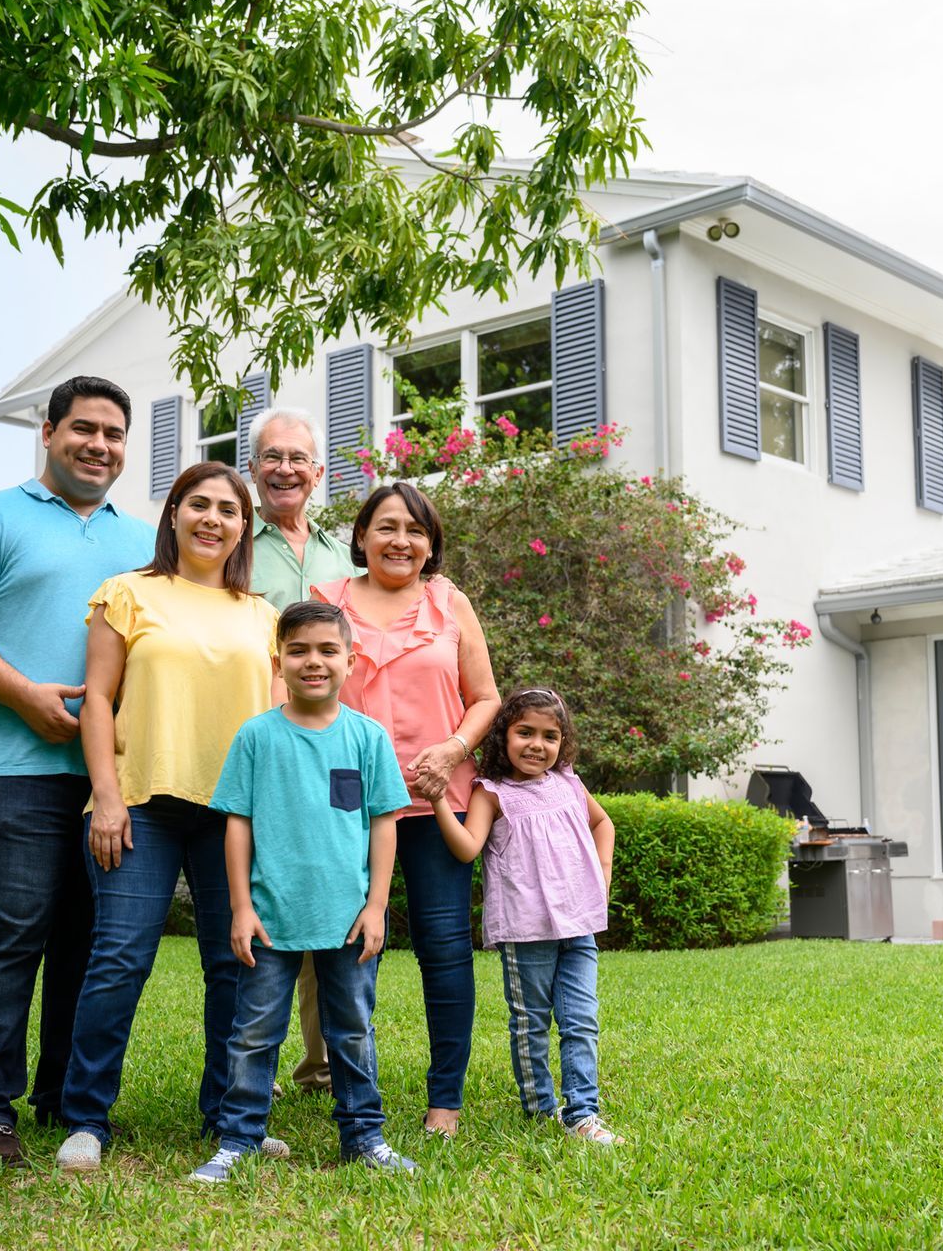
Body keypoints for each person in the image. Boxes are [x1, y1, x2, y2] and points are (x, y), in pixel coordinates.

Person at [0, 376, 156, 1165]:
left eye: (114, 434)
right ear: (47, 432)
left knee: (88, 940)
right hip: (15, 766)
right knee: (11, 933)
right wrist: (24, 697)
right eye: (83, 429)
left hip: (111, 780)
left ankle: (61, 1095)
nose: (99, 445)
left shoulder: (142, 542)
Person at [52, 461, 282, 1172]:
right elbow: (96, 700)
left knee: (236, 964)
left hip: (234, 815)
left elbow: (278, 721)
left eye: (229, 510)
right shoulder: (126, 594)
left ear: (245, 526)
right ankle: (85, 1118)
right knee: (119, 960)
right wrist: (108, 795)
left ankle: (230, 1115)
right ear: (174, 514)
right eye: (199, 505)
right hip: (141, 805)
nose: (213, 519)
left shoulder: (263, 614)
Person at [191, 600, 417, 1182]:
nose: (312, 662)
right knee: (253, 1032)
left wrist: (376, 907)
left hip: (348, 919)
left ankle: (365, 1137)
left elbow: (384, 822)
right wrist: (240, 907)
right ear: (278, 662)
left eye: (326, 650)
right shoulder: (257, 737)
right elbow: (236, 822)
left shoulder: (367, 739)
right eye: (298, 650)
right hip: (269, 917)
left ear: (351, 660)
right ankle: (239, 1138)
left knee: (353, 1031)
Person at [312, 482, 500, 1138]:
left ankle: (443, 1101)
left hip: (435, 798)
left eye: (415, 530)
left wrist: (451, 751)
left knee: (444, 948)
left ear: (431, 545)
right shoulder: (326, 601)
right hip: (343, 799)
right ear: (360, 536)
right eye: (386, 526)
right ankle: (349, 1085)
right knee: (344, 945)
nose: (400, 540)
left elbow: (485, 698)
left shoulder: (450, 603)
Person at [427, 687, 625, 1145]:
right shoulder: (492, 793)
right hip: (525, 930)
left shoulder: (569, 782)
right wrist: (438, 799)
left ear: (563, 742)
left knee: (580, 1020)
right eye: (525, 732)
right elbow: (467, 848)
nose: (537, 745)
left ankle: (582, 1113)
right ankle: (539, 1109)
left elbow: (603, 823)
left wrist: (604, 873)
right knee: (531, 1022)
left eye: (550, 736)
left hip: (579, 925)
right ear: (503, 736)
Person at [246, 407, 361, 1096]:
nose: (285, 468)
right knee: (264, 900)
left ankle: (322, 1065)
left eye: (298, 458)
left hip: (337, 752)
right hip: (262, 753)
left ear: (318, 473)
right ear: (253, 468)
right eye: (271, 457)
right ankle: (251, 1062)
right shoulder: (231, 545)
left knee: (335, 894)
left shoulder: (342, 558)